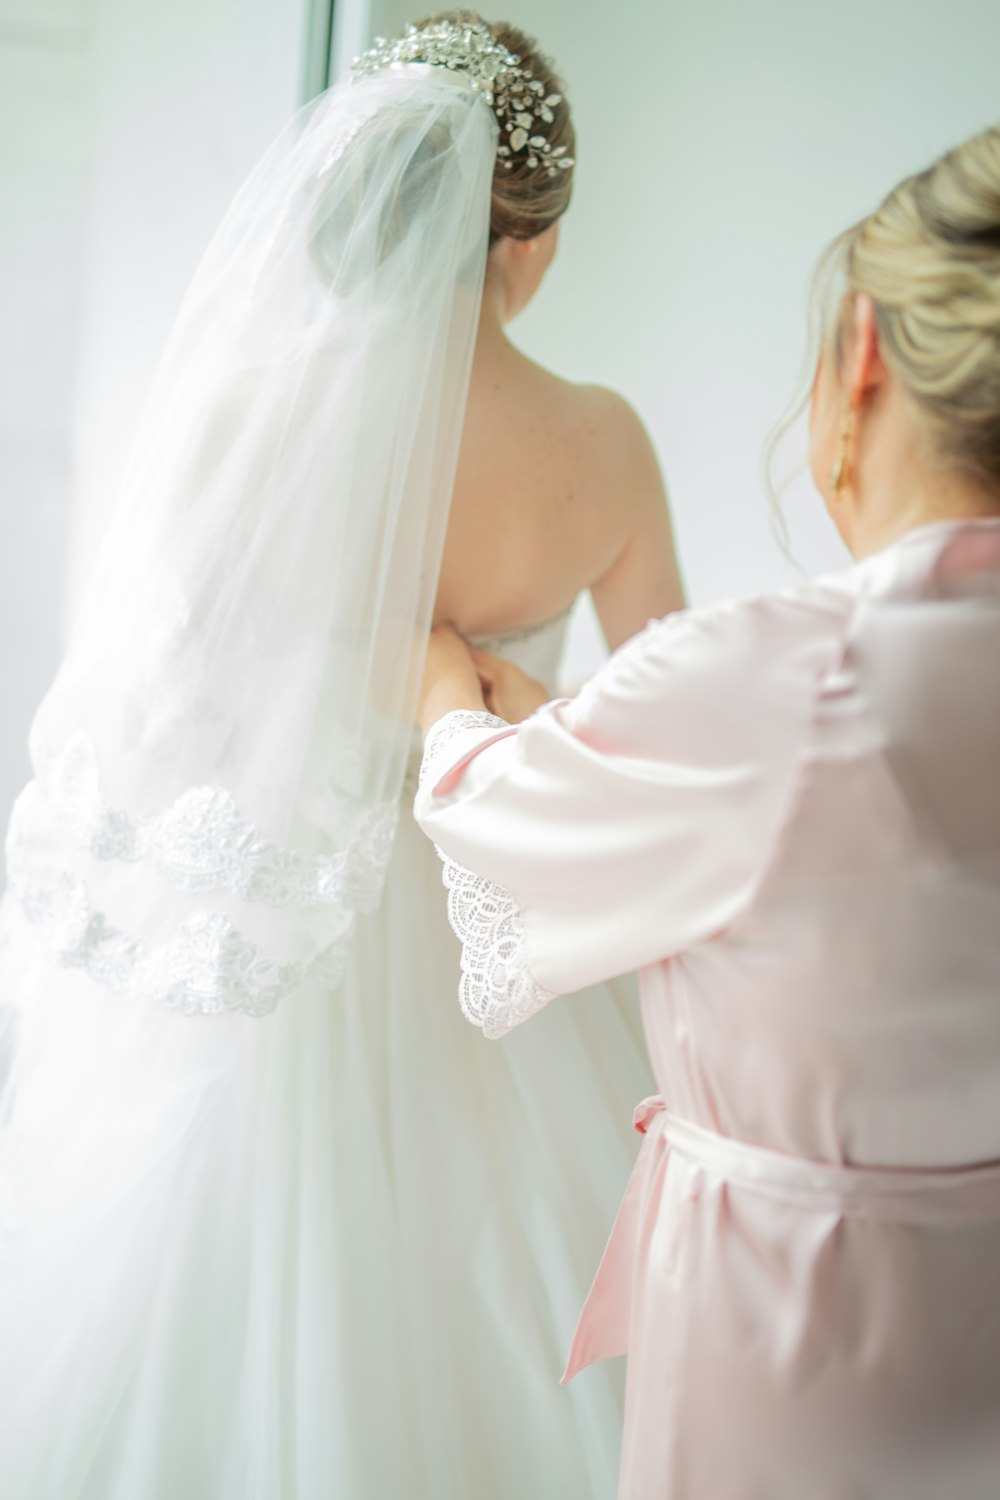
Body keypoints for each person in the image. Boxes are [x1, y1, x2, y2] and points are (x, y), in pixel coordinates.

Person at [0, 14, 683, 1500]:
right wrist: (494, 703)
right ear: (531, 242)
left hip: (278, 923)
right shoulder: (603, 443)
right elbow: (661, 728)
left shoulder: (245, 420)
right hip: (495, 930)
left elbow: (171, 698)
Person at [417, 122, 1000, 1498]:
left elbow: (502, 811)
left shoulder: (793, 674)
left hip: (797, 1320)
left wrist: (450, 697)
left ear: (860, 357)